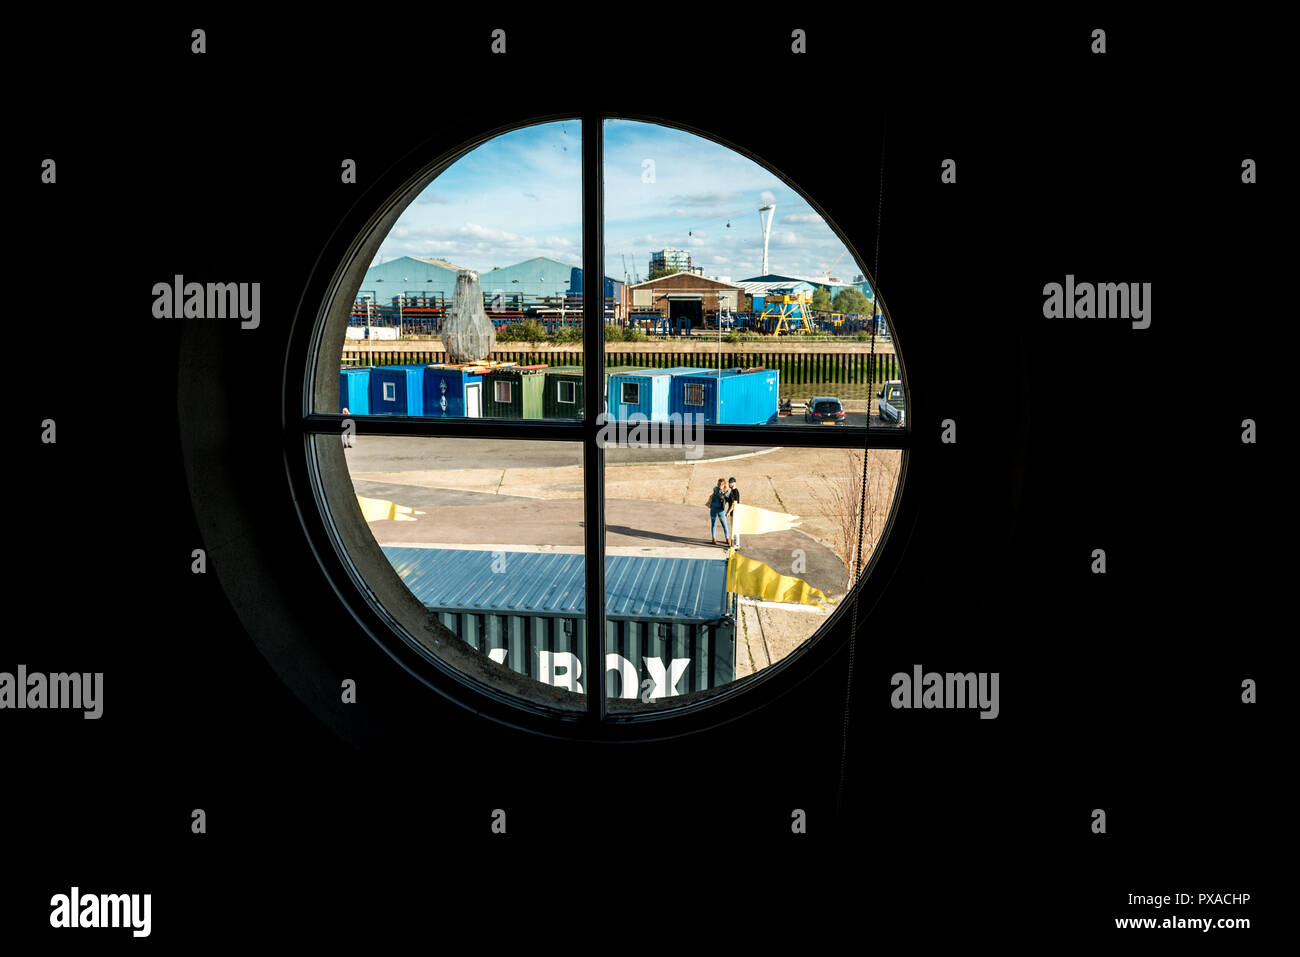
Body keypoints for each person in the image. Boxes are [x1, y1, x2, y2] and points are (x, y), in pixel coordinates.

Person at [709, 478, 731, 546]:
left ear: (724, 485)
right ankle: (714, 538)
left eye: (720, 484)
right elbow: (718, 493)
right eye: (718, 484)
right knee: (713, 524)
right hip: (713, 509)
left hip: (721, 510)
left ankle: (727, 539)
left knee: (724, 525)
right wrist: (722, 490)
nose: (719, 485)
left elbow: (727, 498)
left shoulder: (727, 492)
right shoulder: (716, 489)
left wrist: (725, 490)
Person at [726, 477, 741, 549]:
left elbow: (734, 504)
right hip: (733, 513)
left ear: (734, 483)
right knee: (733, 529)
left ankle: (737, 544)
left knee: (735, 529)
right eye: (729, 482)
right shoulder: (732, 491)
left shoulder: (735, 492)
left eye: (730, 482)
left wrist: (728, 512)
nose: (729, 484)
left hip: (736, 513)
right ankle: (734, 543)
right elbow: (729, 501)